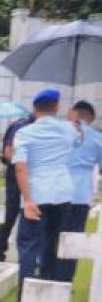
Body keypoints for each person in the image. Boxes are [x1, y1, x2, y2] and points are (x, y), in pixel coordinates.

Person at [13, 88, 79, 302]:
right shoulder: (68, 129)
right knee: (54, 242)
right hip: (62, 192)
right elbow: (79, 138)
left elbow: (21, 168)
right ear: (56, 107)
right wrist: (73, 121)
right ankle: (49, 289)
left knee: (29, 244)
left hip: (37, 192)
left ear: (34, 108)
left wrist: (28, 200)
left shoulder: (25, 133)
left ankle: (26, 296)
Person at [63, 100, 102, 283]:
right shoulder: (96, 138)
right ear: (91, 118)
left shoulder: (61, 133)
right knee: (74, 239)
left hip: (57, 191)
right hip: (81, 193)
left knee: (51, 235)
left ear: (75, 113)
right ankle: (66, 278)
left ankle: (48, 275)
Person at [0, 111, 35, 262]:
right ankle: (0, 253)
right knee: (11, 213)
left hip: (25, 173)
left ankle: (24, 255)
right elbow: (8, 153)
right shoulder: (21, 126)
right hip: (16, 173)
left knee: (24, 213)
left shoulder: (23, 125)